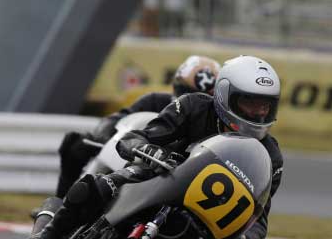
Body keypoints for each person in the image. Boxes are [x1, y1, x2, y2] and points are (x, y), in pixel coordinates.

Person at [25, 55, 284, 239]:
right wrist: (147, 148)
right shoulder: (193, 106)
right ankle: (48, 235)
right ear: (224, 95)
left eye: (265, 106)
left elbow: (260, 214)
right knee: (97, 185)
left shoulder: (271, 155)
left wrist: (249, 238)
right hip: (155, 182)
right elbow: (136, 138)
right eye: (250, 103)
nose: (258, 113)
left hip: (199, 229)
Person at [55, 55, 221, 198]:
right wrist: (102, 136)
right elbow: (117, 118)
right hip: (132, 155)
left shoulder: (211, 122)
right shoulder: (155, 100)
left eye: (201, 96)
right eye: (186, 91)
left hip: (171, 172)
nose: (189, 100)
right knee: (75, 144)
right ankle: (61, 199)